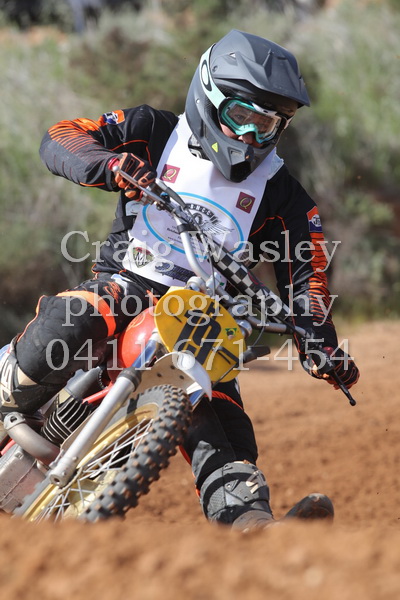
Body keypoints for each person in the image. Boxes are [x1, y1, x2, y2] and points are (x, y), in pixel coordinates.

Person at [0, 30, 359, 529]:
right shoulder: (152, 129)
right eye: (241, 117)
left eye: (266, 126)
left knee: (220, 415)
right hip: (127, 283)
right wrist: (109, 164)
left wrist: (320, 343)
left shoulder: (285, 195)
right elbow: (61, 136)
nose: (250, 138)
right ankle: (7, 388)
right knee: (79, 316)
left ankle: (251, 524)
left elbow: (309, 278)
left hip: (201, 317)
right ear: (209, 95)